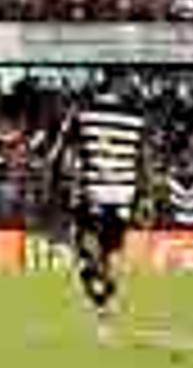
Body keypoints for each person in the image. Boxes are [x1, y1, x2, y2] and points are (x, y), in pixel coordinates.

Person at [54, 81, 150, 342]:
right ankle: (106, 306)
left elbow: (58, 152)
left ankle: (101, 297)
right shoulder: (136, 116)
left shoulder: (82, 112)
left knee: (84, 247)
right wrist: (145, 196)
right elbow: (144, 159)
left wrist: (53, 184)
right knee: (113, 251)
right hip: (123, 194)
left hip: (93, 192)